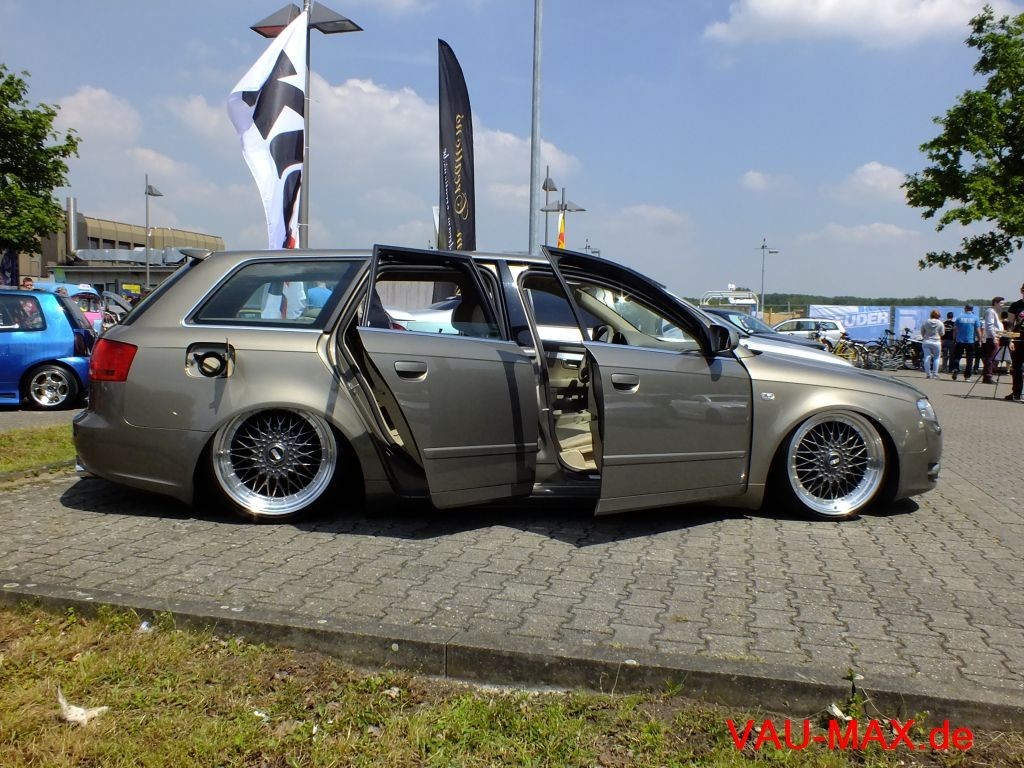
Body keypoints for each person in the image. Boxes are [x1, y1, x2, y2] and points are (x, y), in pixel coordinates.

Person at [950, 304, 980, 381]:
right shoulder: (975, 318)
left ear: (965, 308)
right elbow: (978, 330)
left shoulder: (959, 317)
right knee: (969, 359)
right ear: (972, 309)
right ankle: (967, 376)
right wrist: (980, 340)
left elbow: (955, 329)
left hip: (960, 341)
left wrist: (954, 339)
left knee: (957, 356)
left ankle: (956, 368)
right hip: (970, 341)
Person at [1005, 282, 1024, 402]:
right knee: (1017, 368)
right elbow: (1010, 324)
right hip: (1018, 340)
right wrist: (1010, 339)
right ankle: (1016, 392)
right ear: (1022, 291)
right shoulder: (1015, 305)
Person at [981, 296, 1005, 384]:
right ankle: (988, 376)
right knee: (991, 358)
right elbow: (990, 325)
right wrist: (994, 336)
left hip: (995, 337)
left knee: (993, 358)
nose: (1002, 305)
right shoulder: (990, 311)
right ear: (995, 303)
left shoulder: (994, 312)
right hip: (992, 338)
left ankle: (988, 374)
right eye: (1001, 303)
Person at [920, 310, 944, 379]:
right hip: (936, 342)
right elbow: (942, 333)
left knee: (927, 357)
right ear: (938, 316)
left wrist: (925, 336)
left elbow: (922, 332)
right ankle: (935, 374)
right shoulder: (940, 323)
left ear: (931, 315)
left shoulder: (925, 322)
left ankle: (928, 374)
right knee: (936, 358)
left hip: (927, 341)